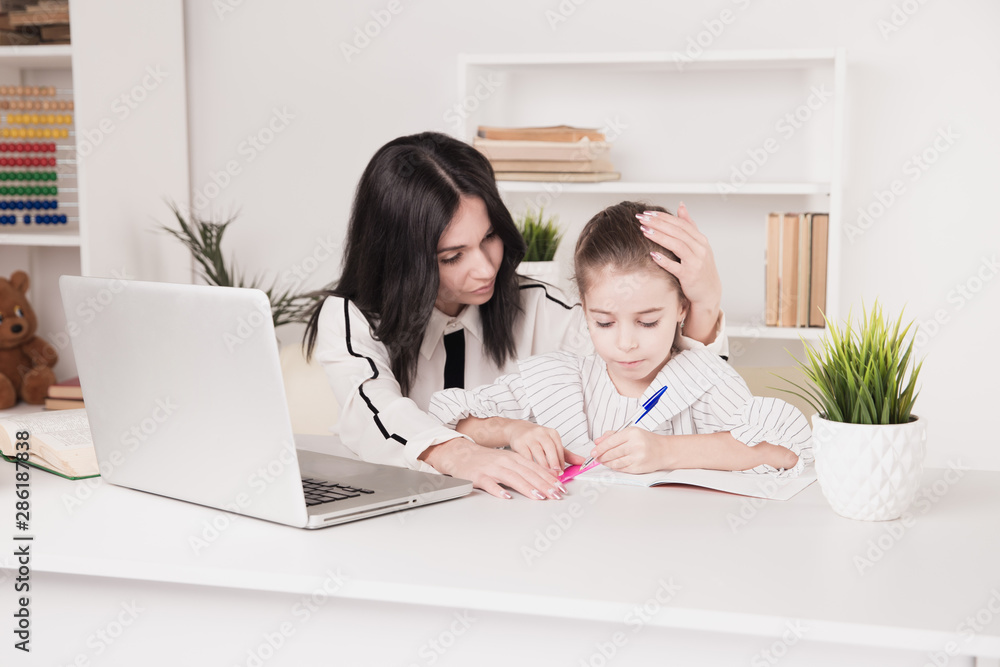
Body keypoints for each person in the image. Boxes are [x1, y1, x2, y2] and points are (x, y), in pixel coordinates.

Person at [303, 132, 729, 500]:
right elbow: (373, 411)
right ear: (401, 260)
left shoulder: (539, 305)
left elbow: (670, 389)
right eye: (452, 256)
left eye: (490, 237)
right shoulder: (353, 318)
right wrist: (463, 452)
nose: (485, 268)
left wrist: (705, 303)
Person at [429, 201, 809, 479]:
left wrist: (666, 451)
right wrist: (513, 430)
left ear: (681, 308)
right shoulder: (559, 379)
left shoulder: (704, 380)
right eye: (605, 322)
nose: (626, 343)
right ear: (584, 311)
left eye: (647, 322)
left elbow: (787, 447)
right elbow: (446, 418)